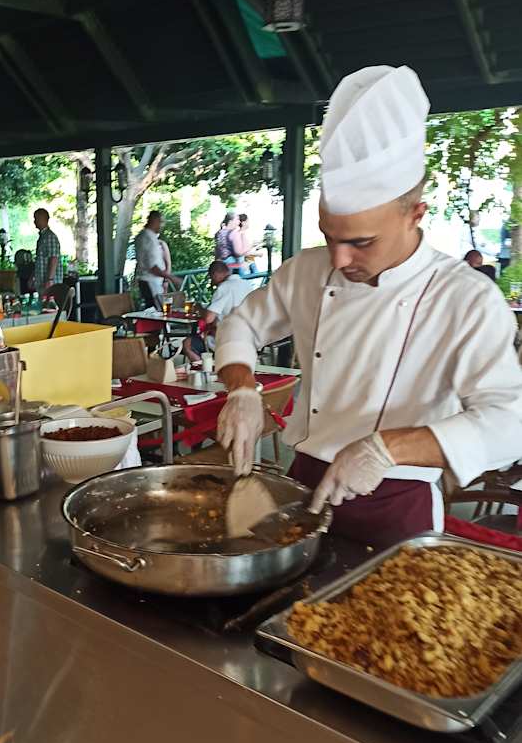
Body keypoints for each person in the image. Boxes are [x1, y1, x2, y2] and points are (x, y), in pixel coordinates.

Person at [215, 64, 522, 548]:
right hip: (302, 482)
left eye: (361, 242)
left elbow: (508, 423)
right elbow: (241, 325)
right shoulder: (307, 270)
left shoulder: (466, 297)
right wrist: (242, 390)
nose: (339, 259)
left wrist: (385, 448)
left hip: (397, 500)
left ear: (415, 214)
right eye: (329, 237)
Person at [183, 260, 254, 364]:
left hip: (229, 340)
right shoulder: (247, 284)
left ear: (215, 274)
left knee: (187, 343)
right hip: (249, 338)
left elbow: (208, 318)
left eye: (211, 277)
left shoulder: (224, 288)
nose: (212, 282)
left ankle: (206, 369)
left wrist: (199, 308)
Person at [133, 210, 179, 307]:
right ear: (155, 221)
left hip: (148, 281)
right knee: (157, 311)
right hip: (151, 282)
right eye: (161, 222)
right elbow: (153, 267)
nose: (162, 225)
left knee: (154, 309)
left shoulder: (142, 236)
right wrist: (172, 278)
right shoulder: (149, 239)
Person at [33, 208, 63, 294]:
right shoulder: (42, 237)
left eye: (36, 218)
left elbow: (54, 258)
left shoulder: (50, 237)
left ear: (43, 219)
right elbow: (39, 260)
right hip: (42, 281)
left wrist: (50, 280)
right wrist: (33, 276)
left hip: (50, 283)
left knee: (50, 302)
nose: (34, 221)